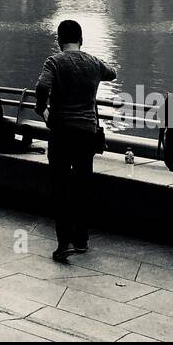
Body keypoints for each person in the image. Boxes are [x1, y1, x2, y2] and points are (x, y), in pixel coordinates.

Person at [34, 19, 116, 262]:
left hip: (62, 131)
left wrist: (43, 110)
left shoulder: (54, 62)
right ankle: (82, 239)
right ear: (81, 40)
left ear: (59, 41)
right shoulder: (92, 61)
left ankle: (64, 243)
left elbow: (41, 85)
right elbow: (112, 73)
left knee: (60, 187)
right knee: (83, 184)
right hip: (87, 133)